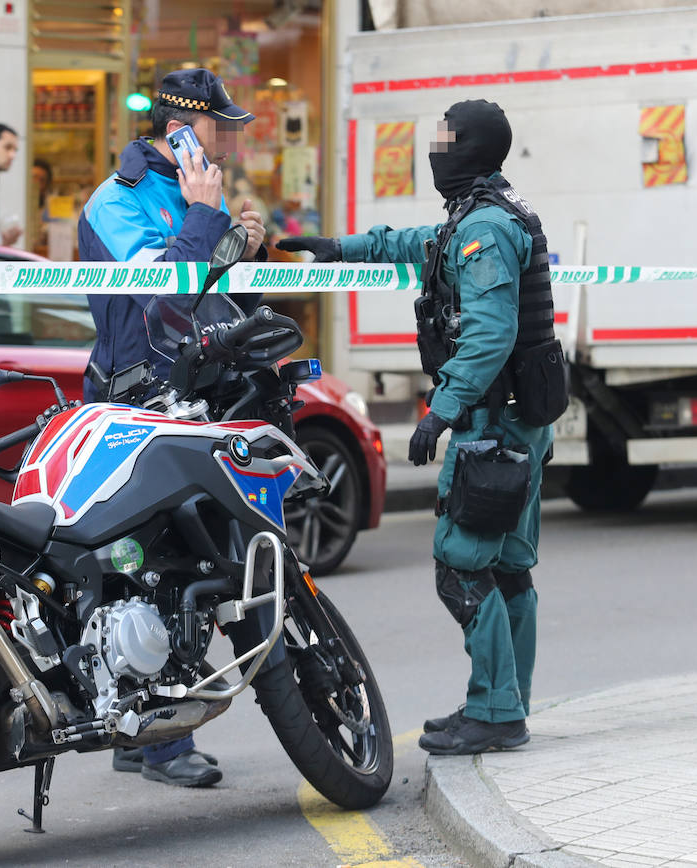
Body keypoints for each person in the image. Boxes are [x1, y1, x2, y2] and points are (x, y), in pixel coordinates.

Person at [279, 99, 554, 756]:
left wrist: (441, 413)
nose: (435, 152)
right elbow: (417, 245)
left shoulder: (485, 230)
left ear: (471, 152)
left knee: (461, 568)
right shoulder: (486, 217)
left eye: (445, 141)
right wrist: (338, 248)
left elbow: (488, 336)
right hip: (523, 419)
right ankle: (506, 704)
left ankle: (494, 710)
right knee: (509, 569)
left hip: (493, 423)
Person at [79, 67, 267, 786]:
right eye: (226, 127)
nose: (234, 140)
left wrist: (233, 245)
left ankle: (159, 731)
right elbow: (166, 295)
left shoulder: (191, 194)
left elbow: (205, 292)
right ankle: (150, 741)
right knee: (149, 572)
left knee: (210, 565)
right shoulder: (118, 202)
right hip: (138, 405)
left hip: (196, 396)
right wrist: (202, 217)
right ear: (186, 128)